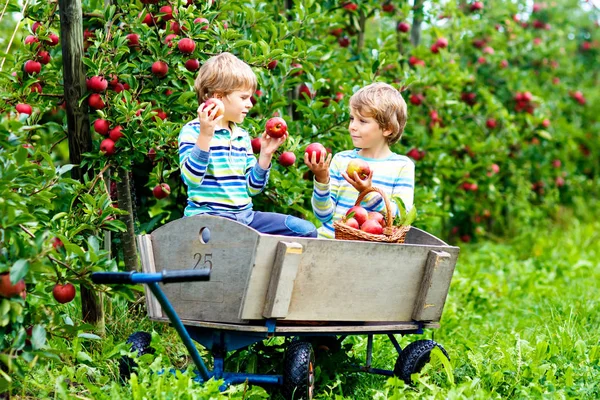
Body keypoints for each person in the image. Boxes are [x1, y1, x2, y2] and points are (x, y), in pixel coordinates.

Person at [178, 52, 317, 238]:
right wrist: (205, 135)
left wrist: (265, 155)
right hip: (208, 220)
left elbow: (252, 188)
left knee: (304, 230)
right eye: (244, 98)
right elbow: (191, 179)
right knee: (221, 245)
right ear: (218, 96)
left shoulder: (241, 136)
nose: (250, 104)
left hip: (245, 218)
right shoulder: (193, 131)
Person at [305, 82, 414, 239]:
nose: (352, 127)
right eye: (352, 119)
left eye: (362, 121)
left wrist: (367, 193)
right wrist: (322, 178)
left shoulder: (402, 167)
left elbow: (399, 218)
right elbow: (323, 216)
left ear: (387, 128)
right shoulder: (341, 160)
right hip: (330, 243)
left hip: (371, 250)